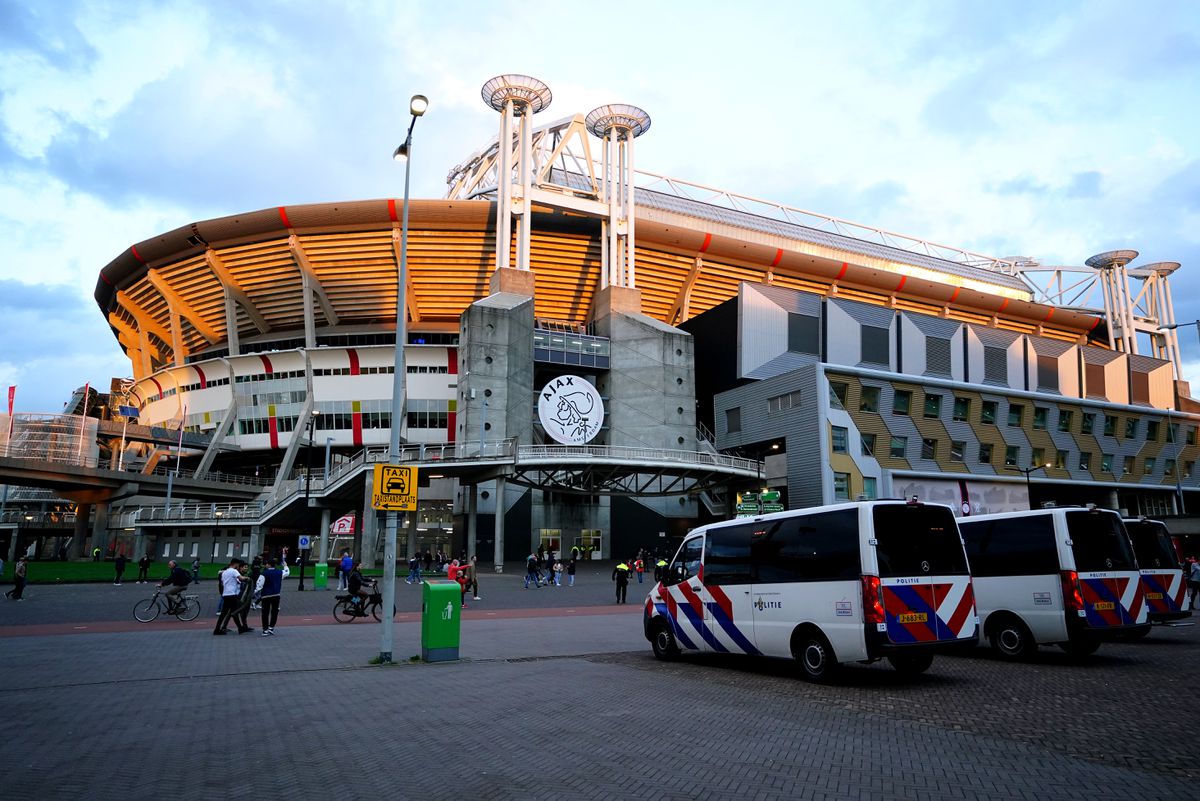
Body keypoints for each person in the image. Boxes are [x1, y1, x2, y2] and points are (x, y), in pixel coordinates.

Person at [214, 558, 251, 635]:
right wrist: (247, 578)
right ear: (235, 564)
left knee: (224, 613)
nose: (238, 566)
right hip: (232, 594)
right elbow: (241, 578)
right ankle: (240, 628)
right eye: (238, 565)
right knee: (234, 612)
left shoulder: (224, 572)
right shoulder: (234, 571)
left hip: (225, 594)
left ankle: (217, 629)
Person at [255, 558, 289, 635]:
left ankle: (265, 629)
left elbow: (259, 585)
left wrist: (255, 593)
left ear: (268, 565)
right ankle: (271, 627)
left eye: (266, 564)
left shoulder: (264, 573)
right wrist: (285, 566)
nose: (265, 565)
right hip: (276, 595)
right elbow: (287, 572)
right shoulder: (279, 572)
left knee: (265, 613)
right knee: (274, 612)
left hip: (266, 595)